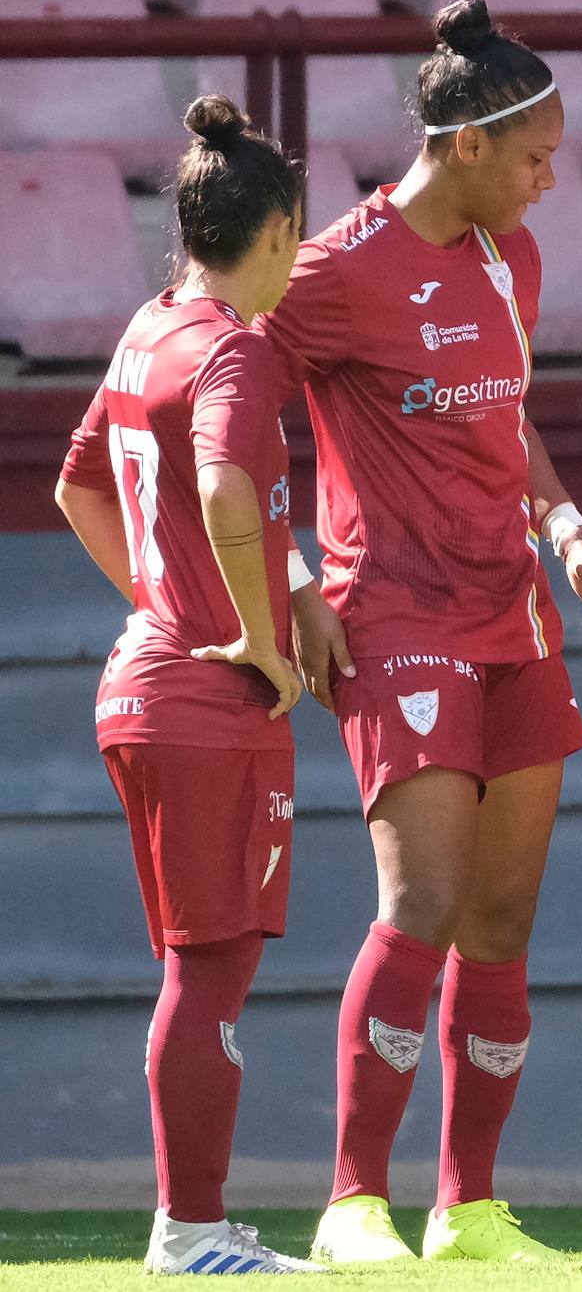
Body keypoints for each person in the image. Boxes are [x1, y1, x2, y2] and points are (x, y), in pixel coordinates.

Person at [257, 0, 582, 1264]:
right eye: (534, 156)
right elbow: (226, 409)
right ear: (466, 144)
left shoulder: (506, 259)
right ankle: (351, 1202)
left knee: (504, 920)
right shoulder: (332, 272)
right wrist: (294, 579)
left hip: (513, 609)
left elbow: (503, 412)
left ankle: (466, 1208)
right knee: (419, 901)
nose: (548, 180)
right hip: (397, 613)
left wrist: (568, 522)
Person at [55, 94, 318, 1275]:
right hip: (206, 705)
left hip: (147, 686)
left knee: (195, 973)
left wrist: (165, 604)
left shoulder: (146, 328)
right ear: (272, 231)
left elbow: (77, 490)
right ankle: (194, 1231)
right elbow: (221, 490)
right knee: (210, 977)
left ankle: (196, 1221)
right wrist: (258, 639)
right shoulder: (235, 345)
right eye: (295, 238)